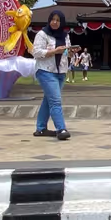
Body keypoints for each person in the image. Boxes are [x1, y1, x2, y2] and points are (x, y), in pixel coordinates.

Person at [32, 10, 78, 140]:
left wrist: (71, 53)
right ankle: (61, 129)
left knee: (49, 100)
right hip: (45, 71)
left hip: (60, 72)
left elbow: (65, 53)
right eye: (53, 19)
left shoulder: (65, 36)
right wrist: (54, 51)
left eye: (58, 20)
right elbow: (36, 52)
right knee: (55, 101)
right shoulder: (42, 34)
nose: (55, 22)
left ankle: (41, 129)